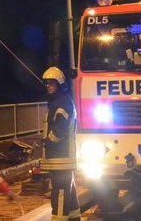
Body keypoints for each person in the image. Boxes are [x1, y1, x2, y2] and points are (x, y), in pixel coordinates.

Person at [42, 67, 80, 220]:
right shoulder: (61, 101)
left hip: (60, 158)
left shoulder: (62, 103)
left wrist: (48, 141)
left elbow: (60, 130)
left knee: (60, 193)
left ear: (60, 84)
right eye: (47, 83)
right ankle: (74, 218)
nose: (48, 86)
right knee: (68, 191)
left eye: (52, 83)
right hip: (61, 159)